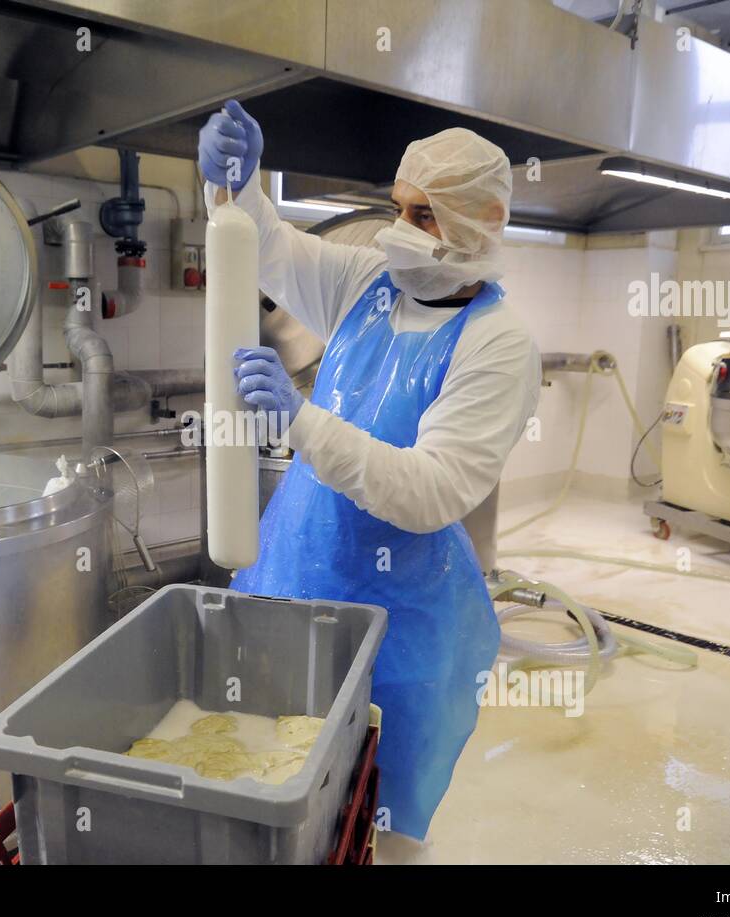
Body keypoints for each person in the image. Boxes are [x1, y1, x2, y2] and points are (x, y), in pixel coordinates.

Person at [198, 100, 541, 842]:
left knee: (371, 821)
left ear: (482, 219)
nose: (397, 230)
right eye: (396, 207)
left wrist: (299, 420)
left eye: (423, 216)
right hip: (296, 570)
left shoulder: (500, 346)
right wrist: (241, 184)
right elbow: (271, 251)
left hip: (400, 616)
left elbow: (427, 491)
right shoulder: (370, 283)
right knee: (275, 780)